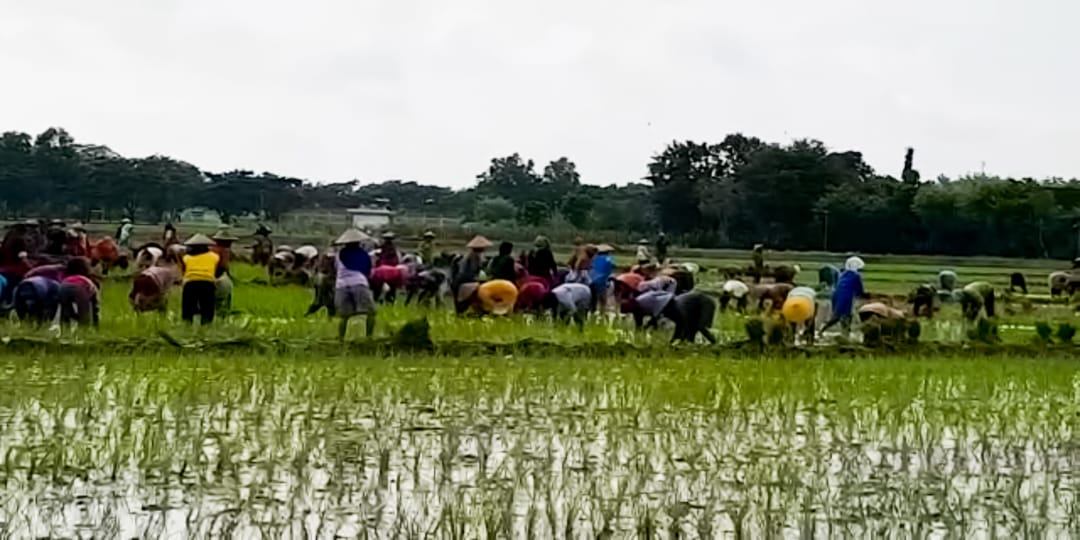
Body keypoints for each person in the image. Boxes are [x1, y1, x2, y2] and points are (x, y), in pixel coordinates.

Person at [333, 229, 376, 339]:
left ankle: (340, 338)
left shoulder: (339, 255)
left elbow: (336, 269)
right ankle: (369, 337)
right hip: (359, 283)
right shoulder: (362, 254)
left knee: (344, 316)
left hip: (341, 285)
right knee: (371, 313)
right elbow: (367, 270)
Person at [180, 234, 221, 324]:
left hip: (190, 283)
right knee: (207, 309)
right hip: (207, 283)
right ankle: (205, 327)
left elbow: (183, 271)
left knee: (187, 309)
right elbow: (217, 270)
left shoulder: (186, 258)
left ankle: (187, 327)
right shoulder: (215, 256)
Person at [820, 257, 866, 334]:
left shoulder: (843, 274)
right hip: (845, 297)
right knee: (840, 316)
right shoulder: (856, 276)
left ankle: (845, 333)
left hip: (836, 296)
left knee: (843, 316)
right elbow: (860, 291)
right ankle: (822, 331)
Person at [58, 257, 100, 328]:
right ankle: (84, 330)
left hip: (63, 286)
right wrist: (96, 324)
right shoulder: (91, 284)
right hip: (80, 288)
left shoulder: (68, 277)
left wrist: (74, 315)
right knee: (84, 313)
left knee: (65, 310)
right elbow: (95, 308)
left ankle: (64, 329)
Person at [452, 236, 491, 313]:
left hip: (461, 278)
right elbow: (472, 271)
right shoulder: (474, 257)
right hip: (465, 278)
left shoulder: (471, 255)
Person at [589, 244, 615, 311]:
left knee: (593, 299)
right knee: (603, 299)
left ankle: (593, 312)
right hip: (602, 280)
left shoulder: (594, 258)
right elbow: (609, 269)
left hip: (592, 279)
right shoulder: (608, 258)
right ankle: (602, 313)